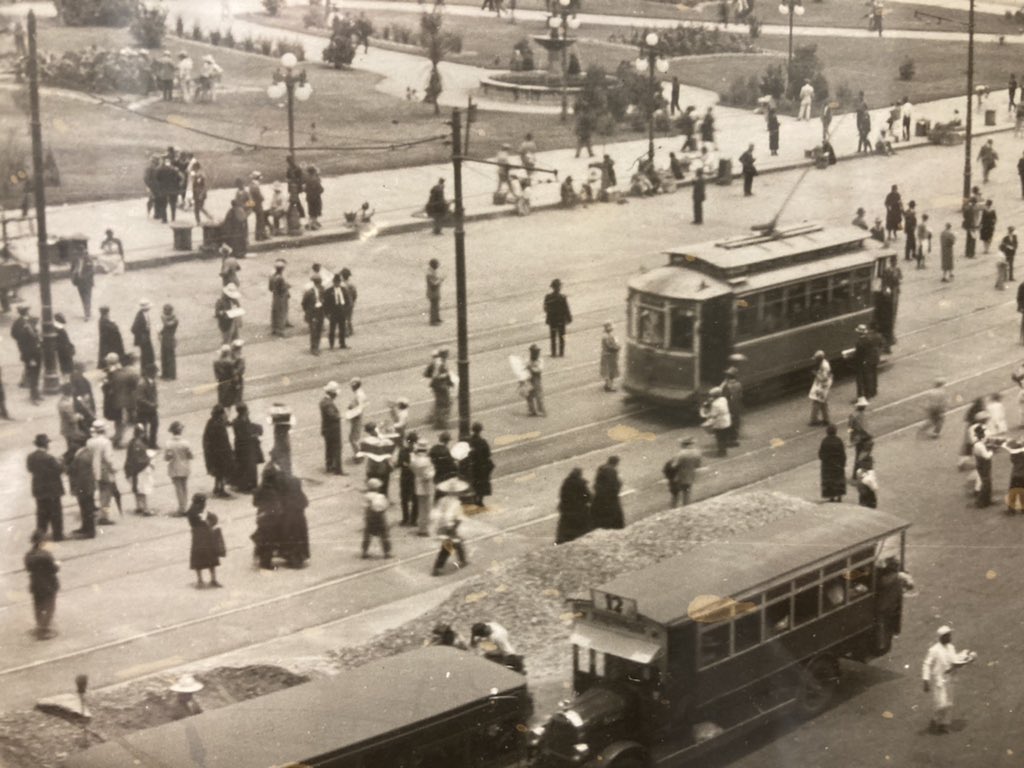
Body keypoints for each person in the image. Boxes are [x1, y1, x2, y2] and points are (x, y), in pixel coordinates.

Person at [922, 625, 976, 734]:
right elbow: (926, 664)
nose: (950, 637)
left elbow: (954, 660)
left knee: (949, 703)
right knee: (942, 703)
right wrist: (925, 680)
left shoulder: (951, 647)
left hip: (950, 677)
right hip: (940, 679)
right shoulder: (934, 650)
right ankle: (936, 719)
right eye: (948, 635)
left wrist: (966, 658)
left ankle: (944, 724)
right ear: (942, 637)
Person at [27, 434, 64, 541]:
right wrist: (61, 462)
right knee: (55, 514)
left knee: (41, 514)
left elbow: (29, 469)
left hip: (39, 489)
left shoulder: (31, 457)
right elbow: (59, 470)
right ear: (46, 444)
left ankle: (41, 535)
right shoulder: (49, 458)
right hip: (53, 490)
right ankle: (58, 535)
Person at [24, 529, 59, 639]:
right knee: (49, 607)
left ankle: (39, 625)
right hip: (49, 585)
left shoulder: (29, 555)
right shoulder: (47, 556)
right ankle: (43, 630)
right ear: (42, 543)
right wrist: (57, 565)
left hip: (35, 586)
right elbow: (53, 569)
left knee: (38, 606)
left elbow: (28, 568)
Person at [186, 494, 224, 588]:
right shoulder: (198, 512)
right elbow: (212, 520)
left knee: (199, 559)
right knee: (210, 558)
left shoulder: (192, 511)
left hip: (199, 537)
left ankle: (201, 580)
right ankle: (212, 579)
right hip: (205, 536)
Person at [432, 483, 468, 574]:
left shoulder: (442, 500)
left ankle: (462, 559)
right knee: (448, 547)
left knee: (457, 543)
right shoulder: (456, 503)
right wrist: (453, 526)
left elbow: (436, 513)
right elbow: (458, 517)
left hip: (441, 526)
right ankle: (437, 568)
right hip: (450, 527)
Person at [203, 405, 235, 499]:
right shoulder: (219, 425)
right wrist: (229, 452)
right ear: (220, 414)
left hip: (211, 453)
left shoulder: (211, 422)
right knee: (222, 472)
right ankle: (221, 490)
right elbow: (223, 441)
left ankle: (217, 487)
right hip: (220, 453)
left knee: (218, 473)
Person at [231, 403, 263, 493]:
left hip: (244, 447)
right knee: (249, 467)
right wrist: (254, 435)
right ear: (244, 411)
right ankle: (248, 487)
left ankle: (246, 485)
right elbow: (244, 435)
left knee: (246, 466)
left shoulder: (238, 420)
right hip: (246, 447)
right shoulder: (240, 422)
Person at [68, 443, 97, 538]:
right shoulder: (85, 453)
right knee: (86, 509)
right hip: (88, 487)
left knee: (86, 509)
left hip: (83, 488)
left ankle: (89, 531)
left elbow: (76, 472)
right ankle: (85, 528)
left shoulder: (80, 458)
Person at [165, 421, 193, 516]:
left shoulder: (169, 444)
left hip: (175, 468)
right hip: (185, 467)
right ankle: (185, 506)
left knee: (178, 488)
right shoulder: (186, 443)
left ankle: (182, 508)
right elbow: (191, 456)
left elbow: (167, 458)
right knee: (185, 487)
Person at [667, 436, 702, 508]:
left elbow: (674, 465)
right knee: (687, 493)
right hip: (690, 475)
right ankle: (686, 507)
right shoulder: (697, 452)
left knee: (675, 494)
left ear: (684, 444)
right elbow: (698, 465)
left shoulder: (681, 454)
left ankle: (673, 509)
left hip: (679, 476)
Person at [362, 478, 392, 559]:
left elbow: (365, 507)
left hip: (370, 517)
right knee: (384, 534)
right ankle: (387, 552)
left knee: (367, 534)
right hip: (380, 517)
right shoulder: (381, 496)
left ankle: (364, 551)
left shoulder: (366, 496)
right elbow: (384, 506)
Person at [591, 456, 624, 529]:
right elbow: (613, 484)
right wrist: (619, 485)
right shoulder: (612, 470)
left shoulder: (602, 468)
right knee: (613, 514)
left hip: (599, 494)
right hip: (609, 496)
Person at [411, 439, 435, 536]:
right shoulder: (428, 461)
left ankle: (421, 528)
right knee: (427, 508)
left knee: (421, 508)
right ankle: (426, 529)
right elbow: (429, 475)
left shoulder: (414, 460)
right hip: (427, 485)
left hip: (418, 484)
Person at [319, 381, 344, 475]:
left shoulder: (323, 402)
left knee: (329, 448)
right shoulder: (328, 404)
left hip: (327, 429)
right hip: (333, 430)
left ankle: (329, 466)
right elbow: (333, 416)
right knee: (337, 448)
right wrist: (340, 416)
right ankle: (338, 469)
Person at [467, 422, 494, 508]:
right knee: (482, 484)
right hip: (481, 466)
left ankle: (474, 499)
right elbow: (488, 454)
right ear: (480, 431)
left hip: (472, 466)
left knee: (474, 483)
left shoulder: (469, 441)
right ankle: (480, 501)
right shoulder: (482, 442)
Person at [543, 279, 572, 358]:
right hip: (561, 320)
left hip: (552, 320)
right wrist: (569, 318)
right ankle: (561, 353)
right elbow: (566, 309)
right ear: (559, 287)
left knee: (553, 337)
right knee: (561, 337)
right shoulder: (562, 297)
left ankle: (553, 353)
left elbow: (545, 309)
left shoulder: (548, 297)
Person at [818, 425, 847, 502]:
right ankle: (839, 496)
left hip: (828, 465)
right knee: (838, 480)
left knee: (829, 481)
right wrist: (843, 463)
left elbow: (821, 454)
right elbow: (842, 453)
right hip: (838, 464)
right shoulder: (839, 440)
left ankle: (831, 496)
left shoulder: (824, 441)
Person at [700, 387, 732, 457]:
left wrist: (706, 413)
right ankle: (724, 450)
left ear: (714, 396)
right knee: (723, 437)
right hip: (727, 420)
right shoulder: (724, 399)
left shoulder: (715, 404)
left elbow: (713, 414)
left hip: (720, 422)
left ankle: (722, 452)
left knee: (720, 438)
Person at [135, 363, 159, 448]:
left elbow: (154, 394)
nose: (156, 374)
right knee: (143, 427)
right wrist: (151, 404)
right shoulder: (142, 384)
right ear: (151, 373)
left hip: (151, 409)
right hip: (143, 410)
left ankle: (152, 443)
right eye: (155, 372)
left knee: (154, 425)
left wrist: (155, 402)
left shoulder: (153, 382)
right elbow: (139, 398)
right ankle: (144, 443)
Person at [848, 396, 873, 477]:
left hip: (858, 438)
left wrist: (851, 437)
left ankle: (856, 475)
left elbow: (850, 428)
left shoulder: (853, 415)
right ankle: (858, 475)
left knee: (859, 456)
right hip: (862, 438)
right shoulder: (860, 415)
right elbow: (863, 428)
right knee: (862, 457)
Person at [302, 274, 326, 354]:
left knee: (318, 330)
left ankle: (317, 346)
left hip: (320, 313)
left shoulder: (322, 290)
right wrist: (308, 312)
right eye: (318, 282)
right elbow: (304, 303)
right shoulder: (309, 292)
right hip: (312, 314)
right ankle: (313, 348)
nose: (319, 284)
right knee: (313, 331)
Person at [808, 350, 833, 426]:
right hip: (822, 385)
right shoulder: (823, 363)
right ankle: (826, 419)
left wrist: (815, 374)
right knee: (823, 402)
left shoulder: (824, 366)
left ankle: (814, 420)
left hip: (822, 386)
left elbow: (824, 379)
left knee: (817, 401)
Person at [721, 367, 743, 447]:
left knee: (729, 422)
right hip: (736, 406)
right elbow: (740, 395)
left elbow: (723, 396)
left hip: (728, 406)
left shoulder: (726, 386)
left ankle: (729, 440)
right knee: (736, 422)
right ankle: (735, 439)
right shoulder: (738, 384)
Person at [70, 252, 95, 321]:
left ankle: (87, 314)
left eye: (81, 253)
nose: (80, 255)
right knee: (83, 298)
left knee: (87, 297)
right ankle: (87, 312)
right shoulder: (75, 260)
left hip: (87, 282)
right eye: (79, 253)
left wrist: (84, 277)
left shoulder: (88, 259)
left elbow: (92, 271)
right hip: (79, 282)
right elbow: (72, 270)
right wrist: (73, 278)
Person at [525, 343, 546, 417]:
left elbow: (539, 370)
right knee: (529, 395)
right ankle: (532, 410)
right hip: (529, 379)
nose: (535, 353)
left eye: (536, 352)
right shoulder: (528, 360)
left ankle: (541, 410)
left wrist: (530, 368)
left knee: (539, 395)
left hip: (536, 380)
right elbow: (525, 368)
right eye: (533, 352)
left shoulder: (540, 360)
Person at [52, 313, 76, 378]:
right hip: (64, 350)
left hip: (64, 349)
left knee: (66, 365)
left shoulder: (58, 328)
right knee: (67, 366)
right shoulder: (59, 329)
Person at [599, 321, 620, 391]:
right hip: (609, 356)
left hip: (606, 355)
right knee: (610, 371)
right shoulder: (608, 337)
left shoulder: (606, 336)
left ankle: (607, 384)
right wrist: (617, 347)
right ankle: (609, 386)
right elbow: (610, 346)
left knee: (607, 370)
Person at [159, 304, 178, 381]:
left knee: (170, 358)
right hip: (165, 339)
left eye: (165, 310)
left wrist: (163, 318)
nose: (163, 312)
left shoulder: (174, 320)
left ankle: (171, 375)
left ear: (169, 311)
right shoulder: (170, 319)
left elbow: (167, 324)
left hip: (170, 340)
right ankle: (165, 374)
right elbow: (165, 328)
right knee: (164, 357)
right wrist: (160, 332)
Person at [426, 258, 444, 326]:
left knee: (436, 305)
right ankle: (433, 320)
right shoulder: (430, 273)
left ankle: (436, 318)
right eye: (436, 264)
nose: (438, 266)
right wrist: (440, 280)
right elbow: (433, 284)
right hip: (433, 292)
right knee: (434, 306)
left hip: (435, 292)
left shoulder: (433, 272)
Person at [305, 165, 324, 230]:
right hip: (316, 198)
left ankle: (311, 223)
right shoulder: (315, 180)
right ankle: (313, 224)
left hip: (309, 198)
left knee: (311, 211)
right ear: (314, 172)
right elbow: (321, 189)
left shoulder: (307, 179)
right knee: (316, 211)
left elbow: (305, 189)